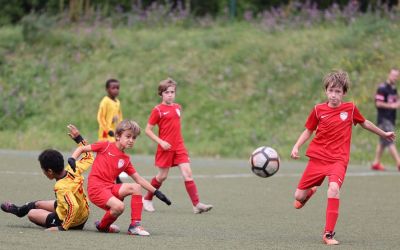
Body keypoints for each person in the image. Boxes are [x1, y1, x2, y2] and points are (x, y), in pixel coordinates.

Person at [290, 70, 395, 245]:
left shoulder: (350, 109)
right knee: (298, 197)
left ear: (344, 93)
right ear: (326, 91)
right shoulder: (318, 110)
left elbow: (365, 123)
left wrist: (383, 133)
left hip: (338, 160)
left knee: (333, 189)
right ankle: (309, 193)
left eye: (338, 91)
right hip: (317, 158)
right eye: (331, 91)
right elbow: (309, 129)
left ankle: (328, 234)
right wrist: (296, 146)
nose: (333, 95)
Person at [69, 119, 171, 236]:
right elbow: (82, 148)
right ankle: (104, 226)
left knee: (136, 187)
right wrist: (72, 158)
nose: (131, 140)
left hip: (109, 188)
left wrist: (156, 192)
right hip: (96, 189)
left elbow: (139, 179)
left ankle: (133, 226)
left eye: (134, 138)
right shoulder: (106, 146)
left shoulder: (126, 160)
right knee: (119, 206)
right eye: (128, 136)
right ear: (117, 136)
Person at [1, 124, 94, 231]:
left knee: (32, 214)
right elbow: (88, 157)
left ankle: (59, 221)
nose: (43, 172)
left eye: (43, 169)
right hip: (82, 213)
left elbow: (73, 206)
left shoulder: (61, 187)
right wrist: (79, 138)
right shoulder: (73, 168)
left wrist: (62, 227)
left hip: (73, 221)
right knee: (37, 204)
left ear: (50, 171)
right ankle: (18, 210)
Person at [142, 78, 213, 214]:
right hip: (165, 148)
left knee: (188, 174)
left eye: (172, 92)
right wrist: (161, 142)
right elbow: (147, 130)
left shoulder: (177, 107)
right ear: (161, 94)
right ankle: (147, 198)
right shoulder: (157, 110)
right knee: (162, 177)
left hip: (179, 147)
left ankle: (196, 204)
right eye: (167, 92)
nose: (170, 94)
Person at [371, 68, 400, 171]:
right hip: (384, 119)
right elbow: (378, 103)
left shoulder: (394, 89)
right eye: (393, 75)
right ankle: (399, 162)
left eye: (396, 76)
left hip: (391, 119)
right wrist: (392, 106)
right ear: (389, 74)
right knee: (390, 140)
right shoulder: (382, 88)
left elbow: (397, 100)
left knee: (383, 142)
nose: (394, 77)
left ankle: (376, 163)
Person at [97, 78, 124, 183]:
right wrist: (108, 129)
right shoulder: (105, 102)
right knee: (106, 155)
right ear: (107, 89)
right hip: (106, 134)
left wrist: (121, 127)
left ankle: (114, 177)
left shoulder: (117, 102)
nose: (116, 90)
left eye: (117, 88)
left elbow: (119, 116)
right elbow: (100, 117)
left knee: (114, 154)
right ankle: (113, 178)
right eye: (113, 88)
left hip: (115, 134)